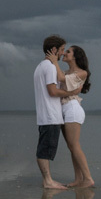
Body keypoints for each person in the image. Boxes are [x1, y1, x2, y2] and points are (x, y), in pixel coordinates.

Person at [33, 35, 76, 189]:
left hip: (44, 115)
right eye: (62, 49)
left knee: (43, 149)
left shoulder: (40, 66)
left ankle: (48, 180)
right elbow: (52, 91)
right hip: (51, 115)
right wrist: (70, 93)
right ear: (54, 50)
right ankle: (48, 181)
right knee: (45, 150)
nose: (63, 53)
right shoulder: (50, 67)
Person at [53, 45, 94, 188]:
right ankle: (78, 179)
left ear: (75, 57)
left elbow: (61, 78)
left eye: (68, 52)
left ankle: (88, 178)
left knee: (75, 145)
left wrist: (54, 60)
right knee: (72, 147)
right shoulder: (66, 71)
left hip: (72, 108)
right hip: (64, 109)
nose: (64, 53)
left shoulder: (82, 73)